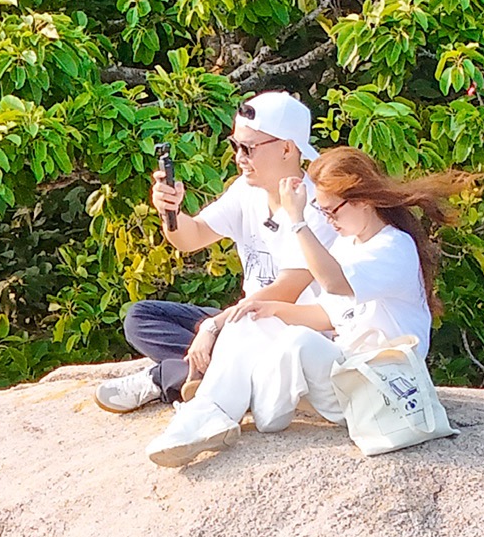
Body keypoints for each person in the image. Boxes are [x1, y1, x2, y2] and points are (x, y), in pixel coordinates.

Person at [146, 147, 471, 467]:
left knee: (296, 345)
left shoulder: (393, 247)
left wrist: (298, 220)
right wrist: (267, 311)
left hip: (381, 386)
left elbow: (333, 283)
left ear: (363, 200)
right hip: (347, 376)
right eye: (322, 212)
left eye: (332, 212)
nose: (328, 221)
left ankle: (222, 403)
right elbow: (325, 314)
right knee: (248, 321)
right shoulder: (349, 242)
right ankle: (205, 418)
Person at [95, 92, 333, 413]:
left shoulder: (318, 208)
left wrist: (212, 328)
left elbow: (285, 293)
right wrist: (171, 211)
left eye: (248, 148)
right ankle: (213, 371)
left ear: (287, 148)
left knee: (230, 338)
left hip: (293, 332)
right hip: (245, 321)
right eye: (235, 145)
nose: (239, 157)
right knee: (140, 317)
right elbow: (190, 238)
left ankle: (164, 376)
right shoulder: (245, 191)